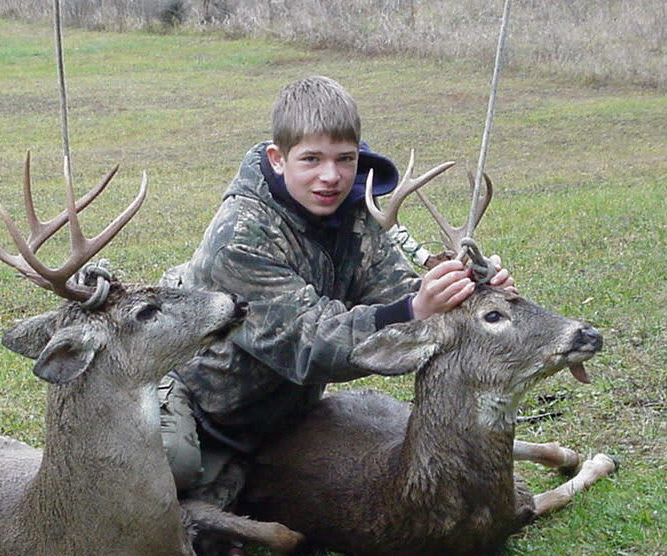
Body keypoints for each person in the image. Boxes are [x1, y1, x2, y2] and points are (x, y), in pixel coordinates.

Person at [159, 75, 513, 506]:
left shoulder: (354, 213)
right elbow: (308, 341)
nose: (331, 177)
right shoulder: (240, 236)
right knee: (174, 464)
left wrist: (468, 293)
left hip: (282, 410)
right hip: (200, 403)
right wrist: (416, 308)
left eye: (345, 159)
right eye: (311, 159)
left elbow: (396, 289)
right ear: (277, 158)